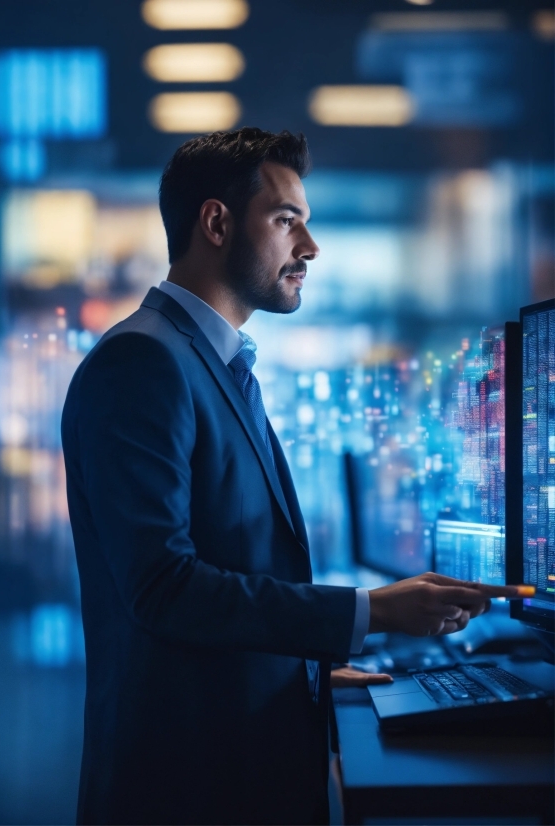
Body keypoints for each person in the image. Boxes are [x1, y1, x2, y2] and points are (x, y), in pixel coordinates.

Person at [61, 128, 519, 826]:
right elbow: (163, 588)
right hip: (188, 789)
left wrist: (306, 668)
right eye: (286, 221)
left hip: (230, 767)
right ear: (216, 222)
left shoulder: (210, 362)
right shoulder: (144, 365)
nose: (310, 247)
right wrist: (370, 613)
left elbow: (226, 569)